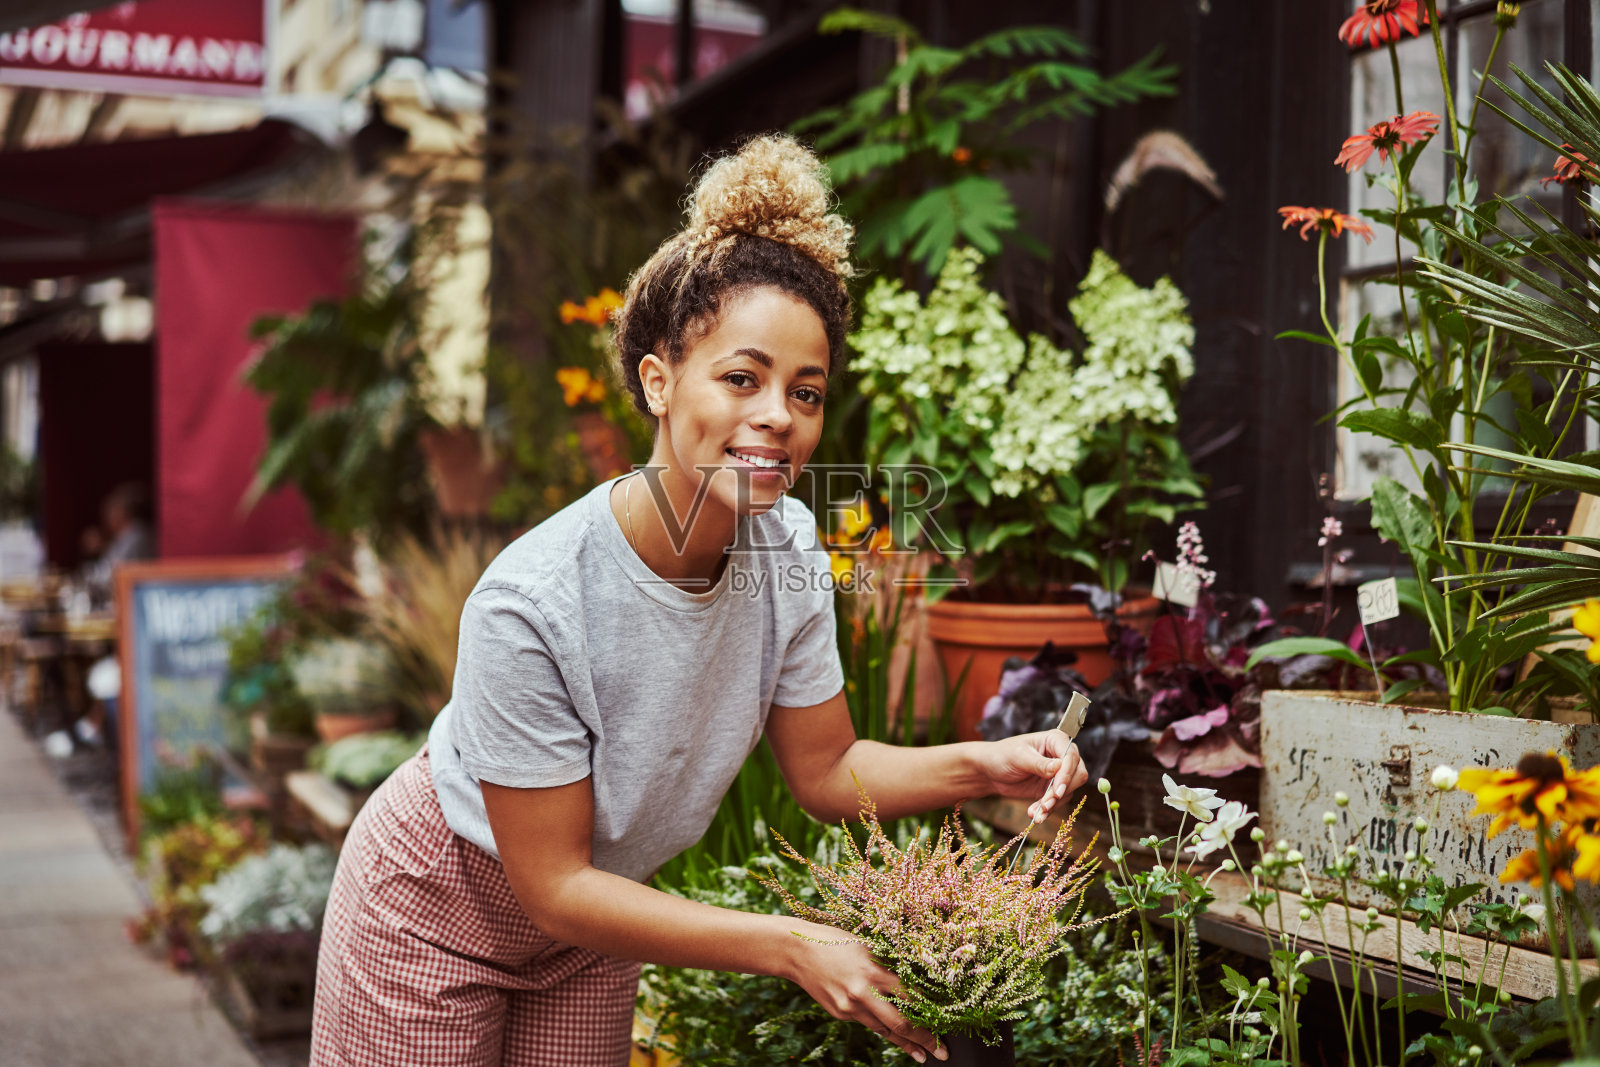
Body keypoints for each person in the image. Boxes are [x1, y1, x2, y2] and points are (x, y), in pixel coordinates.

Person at [310, 134, 1087, 1067]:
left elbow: (828, 768)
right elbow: (550, 880)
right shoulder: (531, 601)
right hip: (437, 907)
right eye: (740, 377)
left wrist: (985, 762)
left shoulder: (789, 547)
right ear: (658, 380)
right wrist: (792, 944)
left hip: (603, 918)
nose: (777, 416)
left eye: (807, 391)